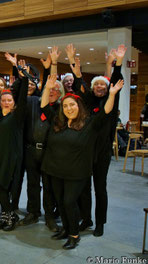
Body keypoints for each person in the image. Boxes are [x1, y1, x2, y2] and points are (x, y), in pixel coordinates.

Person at [41, 73, 124, 250]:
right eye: (65, 106)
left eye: (72, 105)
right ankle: (65, 229)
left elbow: (106, 112)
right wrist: (47, 89)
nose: (69, 108)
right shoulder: (58, 122)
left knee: (69, 201)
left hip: (77, 172)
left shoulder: (90, 124)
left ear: (79, 106)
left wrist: (112, 94)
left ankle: (74, 234)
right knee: (61, 200)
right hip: (56, 169)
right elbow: (43, 106)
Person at [75, 45, 126, 237]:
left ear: (107, 88)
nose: (99, 87)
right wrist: (77, 70)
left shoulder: (110, 105)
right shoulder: (89, 101)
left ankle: (100, 223)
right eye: (97, 84)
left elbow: (116, 82)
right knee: (84, 187)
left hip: (102, 153)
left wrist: (118, 63)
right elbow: (81, 83)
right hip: (85, 152)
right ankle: (86, 218)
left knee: (100, 189)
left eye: (103, 85)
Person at [17, 54, 65, 232]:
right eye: (49, 90)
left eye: (55, 91)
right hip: (31, 150)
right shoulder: (32, 101)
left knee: (49, 186)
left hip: (49, 153)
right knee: (32, 184)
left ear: (60, 94)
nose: (52, 92)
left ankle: (50, 216)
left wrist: (52, 65)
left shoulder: (62, 110)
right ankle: (33, 212)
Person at [0, 60, 28, 231]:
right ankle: (7, 216)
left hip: (11, 157)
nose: (6, 102)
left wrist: (21, 73)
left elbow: (23, 94)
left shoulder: (17, 116)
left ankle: (10, 215)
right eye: (3, 100)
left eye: (9, 100)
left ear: (14, 102)